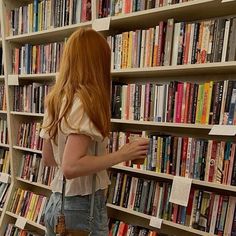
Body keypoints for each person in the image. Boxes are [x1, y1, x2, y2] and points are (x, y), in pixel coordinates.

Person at [40, 28, 149, 236]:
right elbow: (71, 166)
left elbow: (49, 159)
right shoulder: (84, 103)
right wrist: (122, 155)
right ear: (98, 63)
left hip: (56, 204)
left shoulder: (56, 100)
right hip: (81, 210)